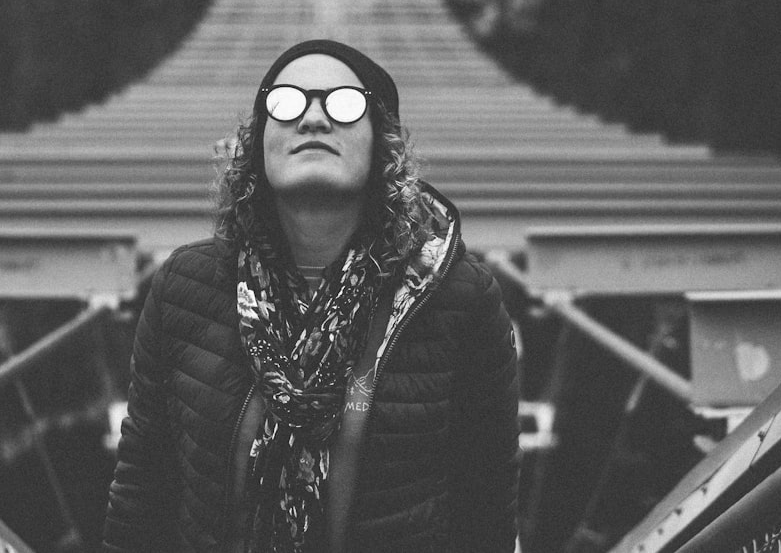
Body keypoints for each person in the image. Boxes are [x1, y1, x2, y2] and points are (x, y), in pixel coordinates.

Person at [103, 40, 520, 553]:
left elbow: (484, 514)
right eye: (287, 101)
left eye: (345, 102)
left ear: (382, 144)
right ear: (257, 142)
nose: (315, 118)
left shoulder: (458, 297)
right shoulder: (185, 287)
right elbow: (143, 495)